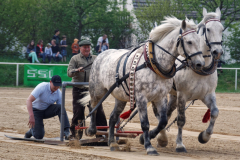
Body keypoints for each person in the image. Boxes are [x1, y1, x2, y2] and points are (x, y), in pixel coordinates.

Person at [67, 40, 107, 139]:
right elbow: (69, 73)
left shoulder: (95, 58)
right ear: (80, 48)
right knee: (78, 112)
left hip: (92, 90)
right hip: (78, 89)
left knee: (98, 111)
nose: (87, 49)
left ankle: (102, 133)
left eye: (88, 47)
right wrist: (76, 70)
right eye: (84, 47)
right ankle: (76, 135)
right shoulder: (75, 59)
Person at [24, 75, 70, 140]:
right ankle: (32, 131)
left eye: (58, 85)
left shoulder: (59, 93)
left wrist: (63, 125)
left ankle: (66, 131)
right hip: (36, 111)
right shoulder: (42, 87)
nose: (56, 87)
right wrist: (31, 116)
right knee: (39, 136)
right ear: (50, 82)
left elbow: (61, 110)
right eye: (55, 85)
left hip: (46, 110)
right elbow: (29, 100)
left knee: (61, 107)